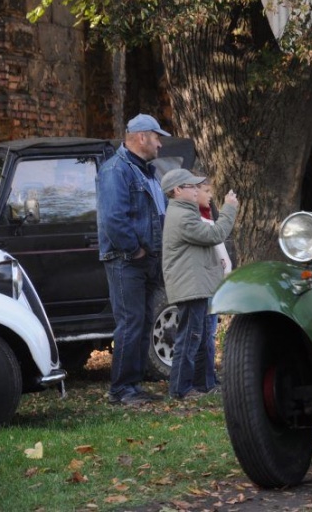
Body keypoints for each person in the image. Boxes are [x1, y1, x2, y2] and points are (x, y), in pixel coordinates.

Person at [96, 113, 171, 406]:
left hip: (146, 260)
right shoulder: (116, 170)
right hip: (126, 260)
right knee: (130, 322)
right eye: (156, 137)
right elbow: (114, 219)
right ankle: (122, 389)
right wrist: (134, 250)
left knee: (143, 321)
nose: (160, 145)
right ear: (141, 137)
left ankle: (134, 386)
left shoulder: (146, 171)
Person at [160, 168, 238, 399]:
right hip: (189, 287)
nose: (196, 190)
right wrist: (230, 209)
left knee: (197, 335)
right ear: (177, 190)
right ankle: (180, 389)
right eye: (191, 186)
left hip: (194, 285)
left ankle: (197, 385)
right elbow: (216, 234)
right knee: (189, 337)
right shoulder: (183, 216)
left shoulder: (186, 213)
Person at [192, 178, 233, 393]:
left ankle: (209, 377)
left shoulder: (209, 214)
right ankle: (203, 381)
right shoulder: (196, 220)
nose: (210, 196)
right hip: (205, 281)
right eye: (206, 191)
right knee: (204, 332)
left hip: (214, 279)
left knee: (210, 332)